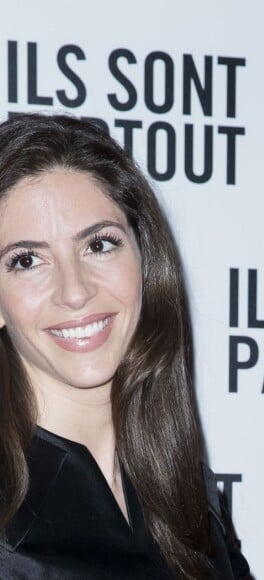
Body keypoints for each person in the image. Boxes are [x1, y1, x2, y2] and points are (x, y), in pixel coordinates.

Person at [0, 113, 250, 579]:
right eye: (27, 260)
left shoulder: (186, 489)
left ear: (144, 259)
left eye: (99, 245)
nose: (74, 291)